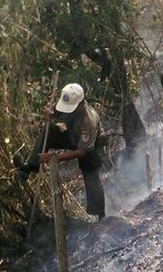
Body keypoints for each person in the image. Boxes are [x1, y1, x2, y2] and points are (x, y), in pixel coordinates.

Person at [13, 83, 106, 219]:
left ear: (80, 104)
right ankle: (30, 167)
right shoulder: (68, 99)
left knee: (91, 178)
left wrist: (56, 157)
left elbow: (81, 152)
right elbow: (56, 113)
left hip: (89, 148)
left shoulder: (88, 120)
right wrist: (50, 115)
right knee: (49, 132)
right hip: (72, 136)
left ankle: (101, 217)